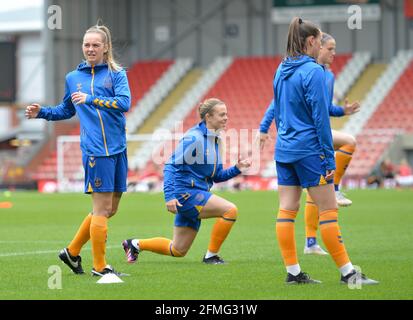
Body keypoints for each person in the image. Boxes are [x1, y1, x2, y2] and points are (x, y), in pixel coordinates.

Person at [268, 17, 378, 284]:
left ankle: (293, 273)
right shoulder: (315, 71)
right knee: (328, 210)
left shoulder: (281, 69)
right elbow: (320, 118)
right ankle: (349, 274)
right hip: (308, 150)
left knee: (286, 210)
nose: (322, 47)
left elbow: (278, 110)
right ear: (311, 41)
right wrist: (328, 157)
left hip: (284, 149)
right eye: (320, 41)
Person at [25, 23, 131, 277]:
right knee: (101, 209)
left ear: (106, 48)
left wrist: (92, 99)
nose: (91, 49)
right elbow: (66, 109)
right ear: (82, 47)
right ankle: (99, 266)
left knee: (109, 209)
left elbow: (124, 103)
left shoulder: (117, 74)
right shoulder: (74, 78)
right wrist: (43, 113)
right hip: (96, 151)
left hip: (118, 148)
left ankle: (71, 252)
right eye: (86, 45)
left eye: (96, 45)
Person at [259, 32, 361, 256]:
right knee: (348, 143)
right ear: (317, 46)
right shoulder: (310, 72)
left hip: (293, 143)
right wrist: (264, 127)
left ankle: (309, 245)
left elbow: (324, 109)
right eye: (330, 48)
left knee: (301, 202)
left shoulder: (325, 75)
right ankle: (335, 189)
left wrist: (344, 111)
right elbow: (278, 102)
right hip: (309, 138)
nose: (334, 53)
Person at [122, 98, 251, 264]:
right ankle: (211, 256)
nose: (226, 117)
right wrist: (169, 197)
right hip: (186, 194)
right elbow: (170, 165)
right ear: (208, 117)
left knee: (177, 250)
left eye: (226, 114)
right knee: (230, 211)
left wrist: (237, 169)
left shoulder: (216, 140)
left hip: (198, 193)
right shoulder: (194, 138)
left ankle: (134, 244)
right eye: (222, 114)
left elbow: (217, 176)